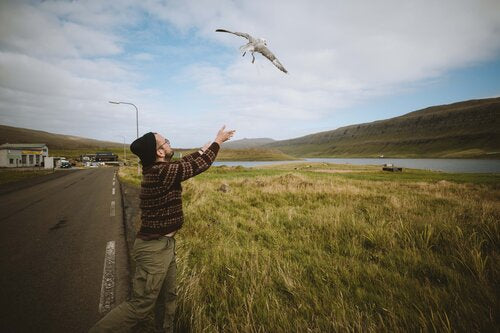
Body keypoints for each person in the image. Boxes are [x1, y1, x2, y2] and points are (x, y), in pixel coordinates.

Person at [90, 125, 235, 333]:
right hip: (154, 249)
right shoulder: (162, 172)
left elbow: (184, 163)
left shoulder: (160, 170)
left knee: (168, 298)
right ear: (159, 152)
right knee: (140, 306)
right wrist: (218, 142)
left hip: (165, 246)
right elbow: (198, 166)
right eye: (165, 141)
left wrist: (205, 148)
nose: (168, 142)